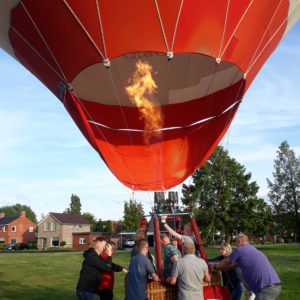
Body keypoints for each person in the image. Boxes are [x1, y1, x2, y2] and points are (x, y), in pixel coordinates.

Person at [210, 233, 281, 300]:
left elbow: (226, 262)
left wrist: (214, 267)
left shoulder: (239, 250)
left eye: (236, 242)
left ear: (240, 241)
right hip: (275, 286)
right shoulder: (252, 250)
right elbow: (230, 266)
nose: (236, 244)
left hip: (265, 288)